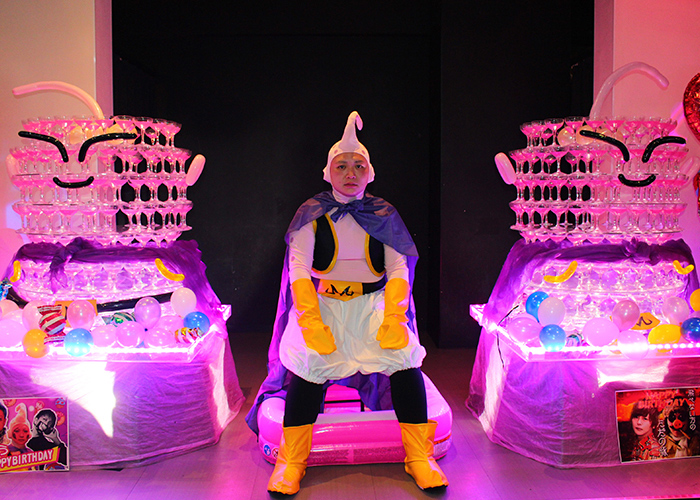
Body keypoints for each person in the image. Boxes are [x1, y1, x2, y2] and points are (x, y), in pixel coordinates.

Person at [246, 111, 448, 494]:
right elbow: (298, 268)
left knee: (405, 362)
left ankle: (419, 457)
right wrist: (310, 320)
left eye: (359, 165)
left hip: (373, 307)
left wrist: (394, 317)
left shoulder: (384, 215)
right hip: (323, 306)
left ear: (370, 173)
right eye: (342, 165)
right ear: (328, 173)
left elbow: (398, 268)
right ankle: (292, 462)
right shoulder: (310, 214)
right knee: (309, 367)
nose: (350, 173)